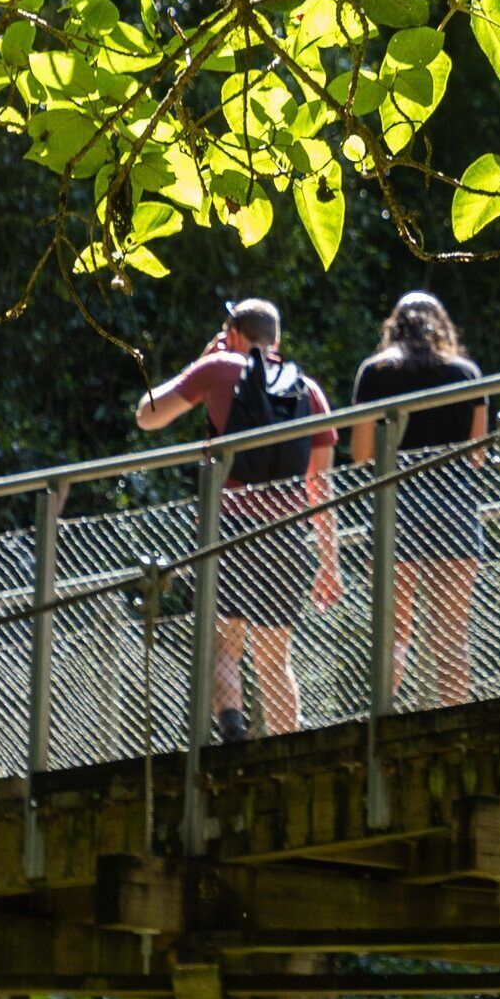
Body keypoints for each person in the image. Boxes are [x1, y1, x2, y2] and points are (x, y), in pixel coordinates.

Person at [133, 298, 341, 737]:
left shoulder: (220, 369)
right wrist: (329, 561)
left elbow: (147, 416)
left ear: (231, 334)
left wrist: (202, 362)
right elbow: (319, 484)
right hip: (287, 537)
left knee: (225, 646)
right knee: (274, 660)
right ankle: (291, 752)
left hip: (228, 529)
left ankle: (233, 737)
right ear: (276, 341)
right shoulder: (308, 390)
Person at [348, 291, 490, 709]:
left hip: (396, 508)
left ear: (394, 325)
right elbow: (478, 454)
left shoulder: (374, 372)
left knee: (392, 632)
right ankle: (457, 724)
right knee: (450, 631)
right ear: (441, 327)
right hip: (454, 505)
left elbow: (360, 454)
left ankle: (383, 722)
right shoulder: (467, 373)